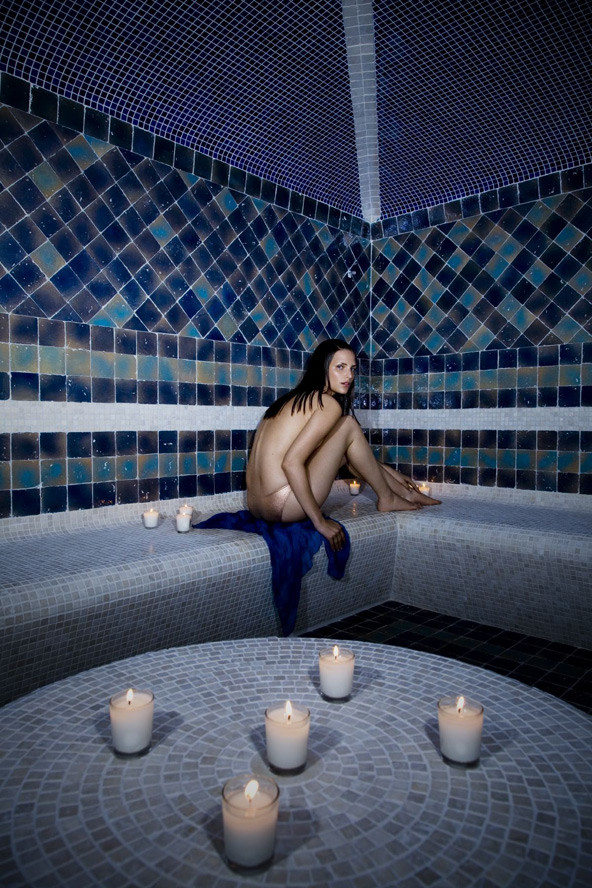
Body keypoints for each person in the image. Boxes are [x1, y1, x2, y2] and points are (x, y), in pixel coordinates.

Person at [246, 339, 440, 552]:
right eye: (340, 367)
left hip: (256, 507)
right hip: (285, 506)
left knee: (346, 441)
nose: (349, 376)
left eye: (352, 369)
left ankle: (405, 493)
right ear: (323, 368)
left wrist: (391, 473)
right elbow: (291, 463)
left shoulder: (288, 402)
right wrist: (319, 522)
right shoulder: (327, 403)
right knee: (348, 424)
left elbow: (346, 453)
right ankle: (387, 497)